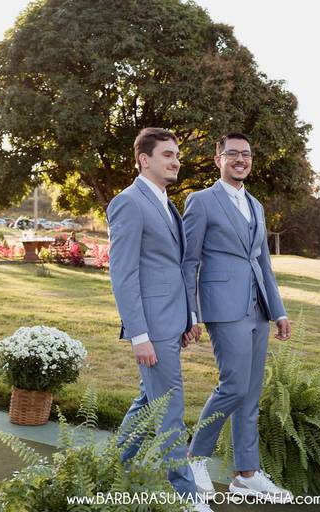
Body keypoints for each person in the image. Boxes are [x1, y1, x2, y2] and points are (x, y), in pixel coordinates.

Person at [182, 132, 292, 503]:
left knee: (250, 394)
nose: (241, 159)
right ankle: (195, 457)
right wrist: (191, 312)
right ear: (219, 159)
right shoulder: (201, 201)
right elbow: (189, 262)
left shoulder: (256, 205)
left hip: (258, 309)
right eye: (233, 153)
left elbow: (264, 263)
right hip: (222, 307)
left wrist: (278, 310)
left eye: (246, 154)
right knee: (234, 385)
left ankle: (247, 474)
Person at [106, 127, 211, 512]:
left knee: (148, 402)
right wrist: (139, 335)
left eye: (177, 155)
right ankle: (187, 498)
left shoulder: (168, 204)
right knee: (170, 411)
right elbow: (123, 274)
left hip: (172, 322)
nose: (176, 161)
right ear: (144, 159)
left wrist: (189, 316)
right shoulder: (128, 203)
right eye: (168, 154)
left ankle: (108, 470)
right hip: (150, 328)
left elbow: (177, 268)